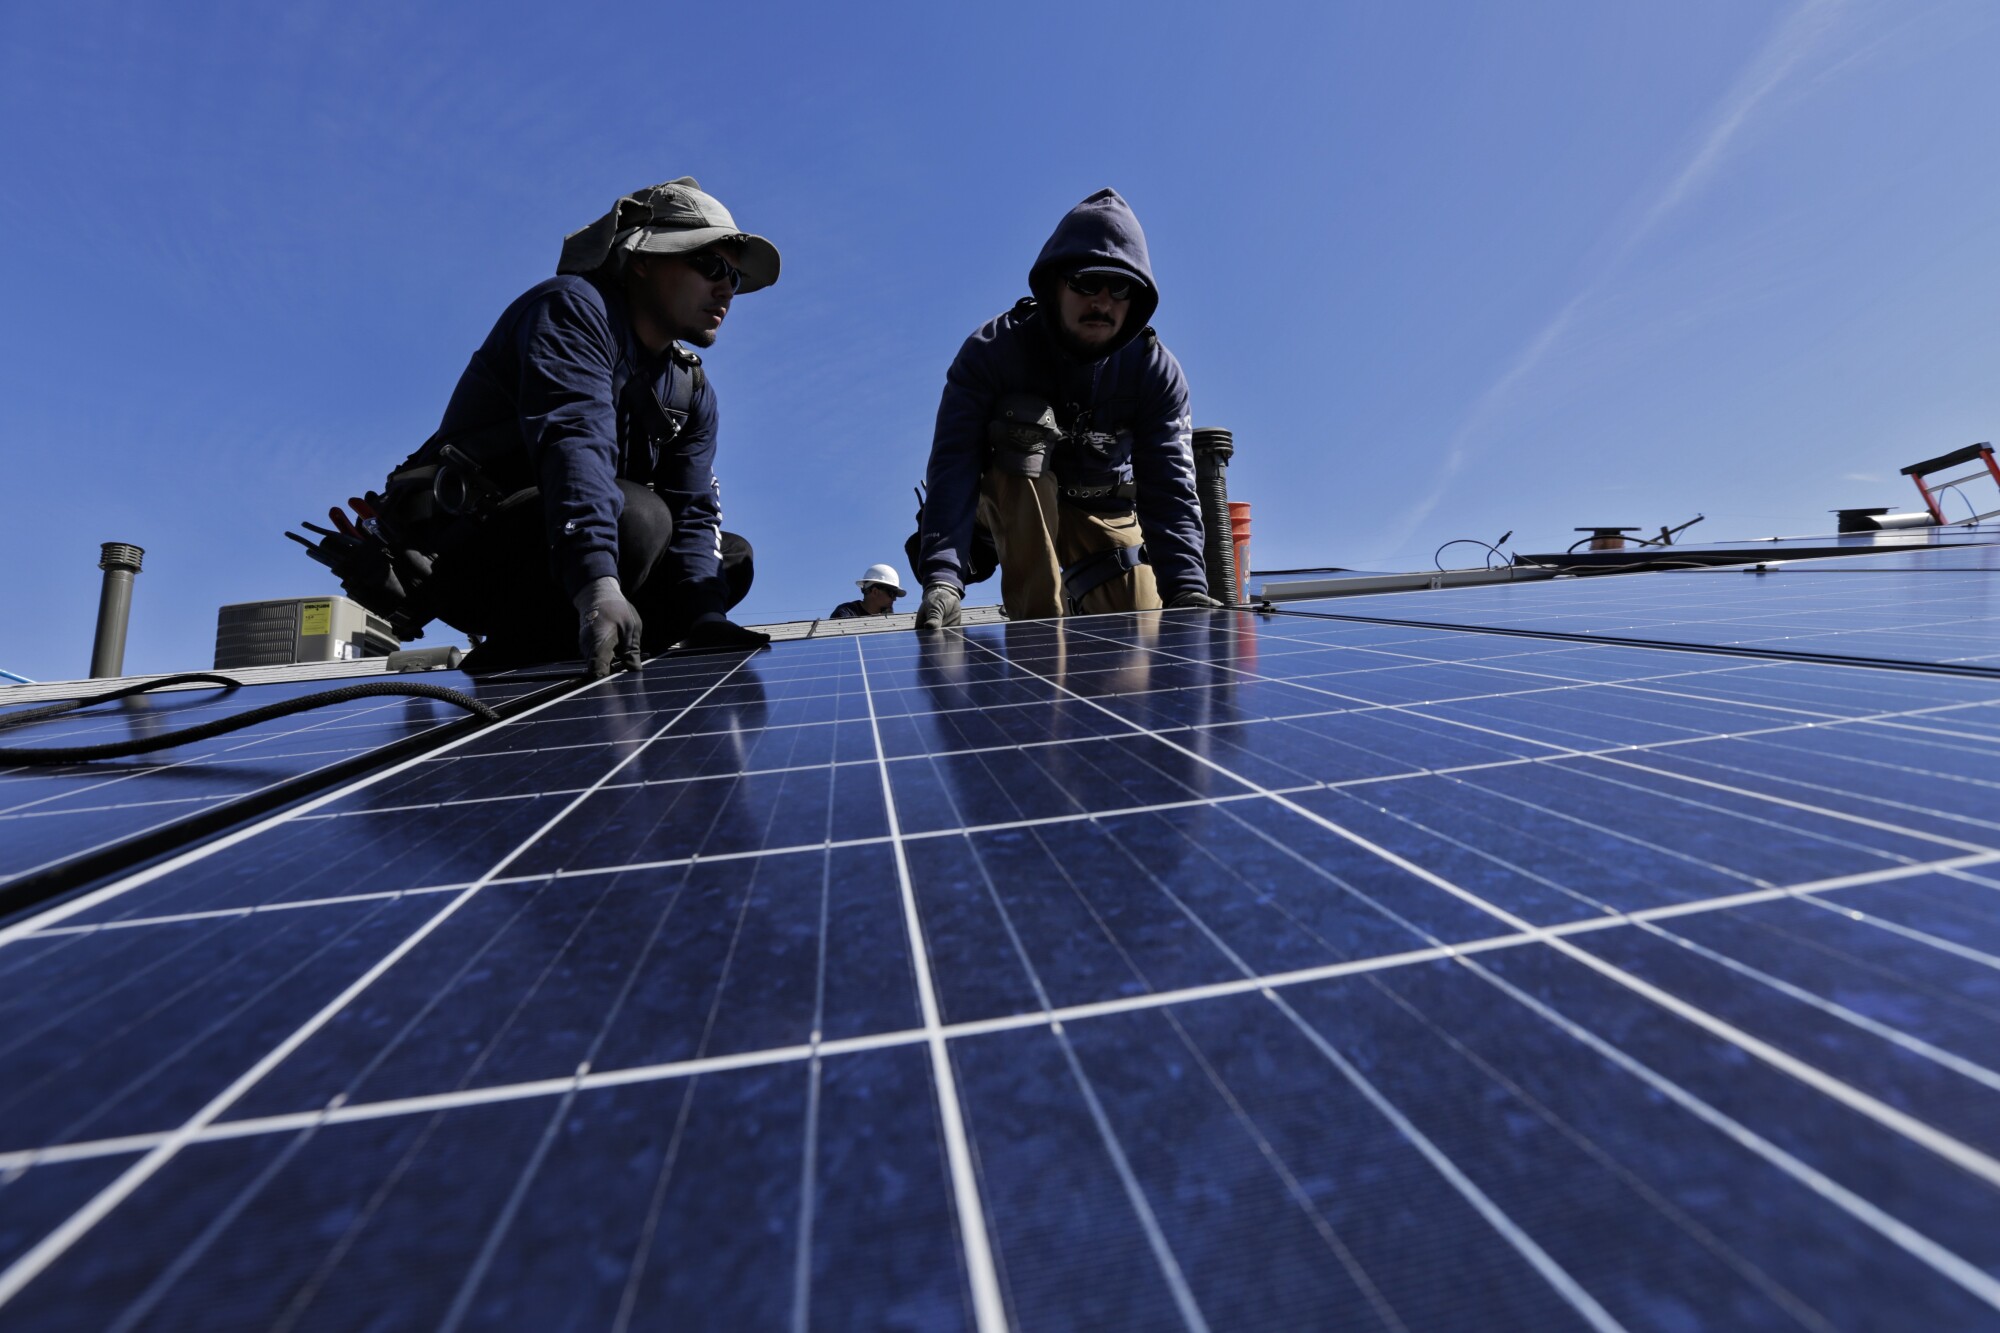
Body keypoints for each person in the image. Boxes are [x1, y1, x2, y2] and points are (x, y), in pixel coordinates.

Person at [335, 178, 779, 676]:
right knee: (638, 519)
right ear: (642, 259)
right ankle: (518, 663)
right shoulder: (570, 310)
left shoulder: (689, 387)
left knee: (726, 564)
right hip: (476, 558)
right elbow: (576, 448)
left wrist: (704, 618)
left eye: (735, 278)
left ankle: (599, 646)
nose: (726, 289)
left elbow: (694, 506)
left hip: (581, 547)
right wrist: (597, 586)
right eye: (710, 265)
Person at [910, 188, 1220, 630]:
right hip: (1011, 499)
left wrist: (1187, 586)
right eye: (1087, 282)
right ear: (1055, 283)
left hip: (1101, 506)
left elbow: (1169, 485)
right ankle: (1038, 647)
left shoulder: (1155, 371)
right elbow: (953, 463)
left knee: (1143, 645)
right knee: (1024, 440)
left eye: (1121, 288)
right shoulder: (993, 352)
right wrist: (942, 576)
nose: (1103, 301)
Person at [829, 564, 906, 618]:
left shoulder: (888, 618)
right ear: (875, 592)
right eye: (892, 594)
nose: (894, 599)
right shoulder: (846, 613)